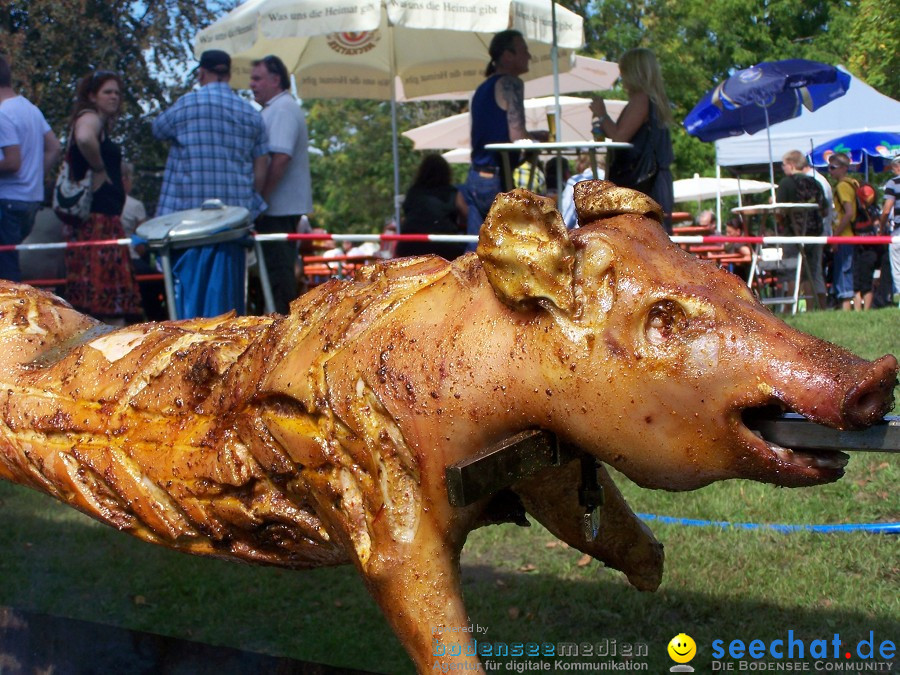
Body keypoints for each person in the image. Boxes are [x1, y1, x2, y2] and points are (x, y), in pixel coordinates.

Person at [153, 49, 269, 318]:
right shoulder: (251, 114)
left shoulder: (187, 104)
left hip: (186, 224)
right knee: (230, 305)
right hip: (232, 223)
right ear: (228, 75)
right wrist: (252, 202)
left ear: (201, 73)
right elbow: (261, 165)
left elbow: (158, 129)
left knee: (186, 308)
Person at [62, 70, 142, 324]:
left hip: (104, 222)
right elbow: (84, 137)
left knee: (102, 303)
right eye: (108, 92)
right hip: (96, 225)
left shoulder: (99, 123)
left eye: (117, 92)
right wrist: (99, 168)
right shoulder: (90, 118)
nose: (114, 97)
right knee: (99, 302)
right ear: (92, 95)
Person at [462, 30, 547, 250]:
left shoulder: (483, 88)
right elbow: (517, 135)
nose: (529, 56)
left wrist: (533, 136)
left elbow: (494, 130)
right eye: (524, 50)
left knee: (475, 253)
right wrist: (537, 141)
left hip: (476, 178)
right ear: (507, 55)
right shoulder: (512, 83)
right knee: (510, 250)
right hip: (496, 180)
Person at [249, 54, 313, 314]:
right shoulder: (279, 108)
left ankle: (283, 326)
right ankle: (280, 323)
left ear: (276, 80)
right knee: (275, 271)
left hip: (277, 208)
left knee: (278, 272)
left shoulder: (282, 109)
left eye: (257, 78)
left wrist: (261, 198)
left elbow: (280, 157)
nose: (252, 85)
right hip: (279, 206)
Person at [590, 48, 675, 233]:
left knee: (636, 235)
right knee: (654, 237)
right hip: (655, 181)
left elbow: (620, 136)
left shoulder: (641, 99)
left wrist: (602, 115)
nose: (622, 78)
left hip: (641, 182)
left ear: (634, 73)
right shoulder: (653, 101)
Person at [0, 55, 61, 281]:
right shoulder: (31, 109)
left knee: (5, 270)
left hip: (6, 201)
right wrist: (34, 178)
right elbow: (54, 146)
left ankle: (13, 315)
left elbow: (13, 161)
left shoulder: (2, 113)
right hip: (30, 201)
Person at [776, 150, 827, 309]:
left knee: (791, 271)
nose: (783, 168)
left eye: (783, 165)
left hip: (792, 234)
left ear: (791, 165)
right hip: (814, 234)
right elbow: (824, 210)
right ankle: (813, 307)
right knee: (812, 272)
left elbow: (779, 211)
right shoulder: (815, 183)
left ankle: (790, 307)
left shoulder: (786, 183)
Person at [396, 154, 468, 261]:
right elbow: (467, 216)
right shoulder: (452, 193)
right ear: (446, 173)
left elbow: (407, 215)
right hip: (444, 247)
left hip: (409, 245)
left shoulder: (413, 192)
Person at [827, 152, 857, 311]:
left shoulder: (842, 186)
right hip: (848, 236)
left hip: (844, 237)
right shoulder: (852, 183)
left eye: (833, 167)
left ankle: (846, 309)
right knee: (846, 271)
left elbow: (849, 212)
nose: (830, 171)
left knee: (843, 273)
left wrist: (836, 236)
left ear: (844, 168)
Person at [560, 153, 601, 229]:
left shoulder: (575, 181)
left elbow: (566, 218)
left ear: (581, 163)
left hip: (583, 229)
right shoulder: (607, 175)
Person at [880, 156, 900, 303]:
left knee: (898, 269)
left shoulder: (893, 183)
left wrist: (881, 227)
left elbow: (886, 210)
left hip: (898, 232)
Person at [723, 216, 752, 281]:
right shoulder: (731, 244)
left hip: (743, 273)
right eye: (726, 232)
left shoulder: (739, 244)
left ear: (738, 232)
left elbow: (749, 254)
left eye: (729, 232)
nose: (727, 235)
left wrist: (740, 260)